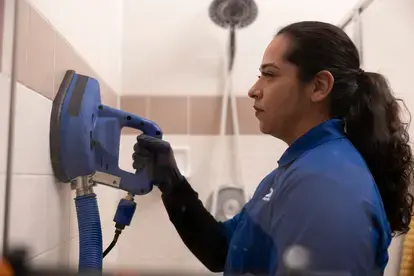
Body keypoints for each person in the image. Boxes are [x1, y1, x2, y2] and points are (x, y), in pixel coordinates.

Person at [132, 21, 414, 275]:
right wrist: (172, 183)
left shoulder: (326, 183)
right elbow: (221, 251)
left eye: (269, 74)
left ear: (318, 86)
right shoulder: (295, 170)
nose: (254, 89)